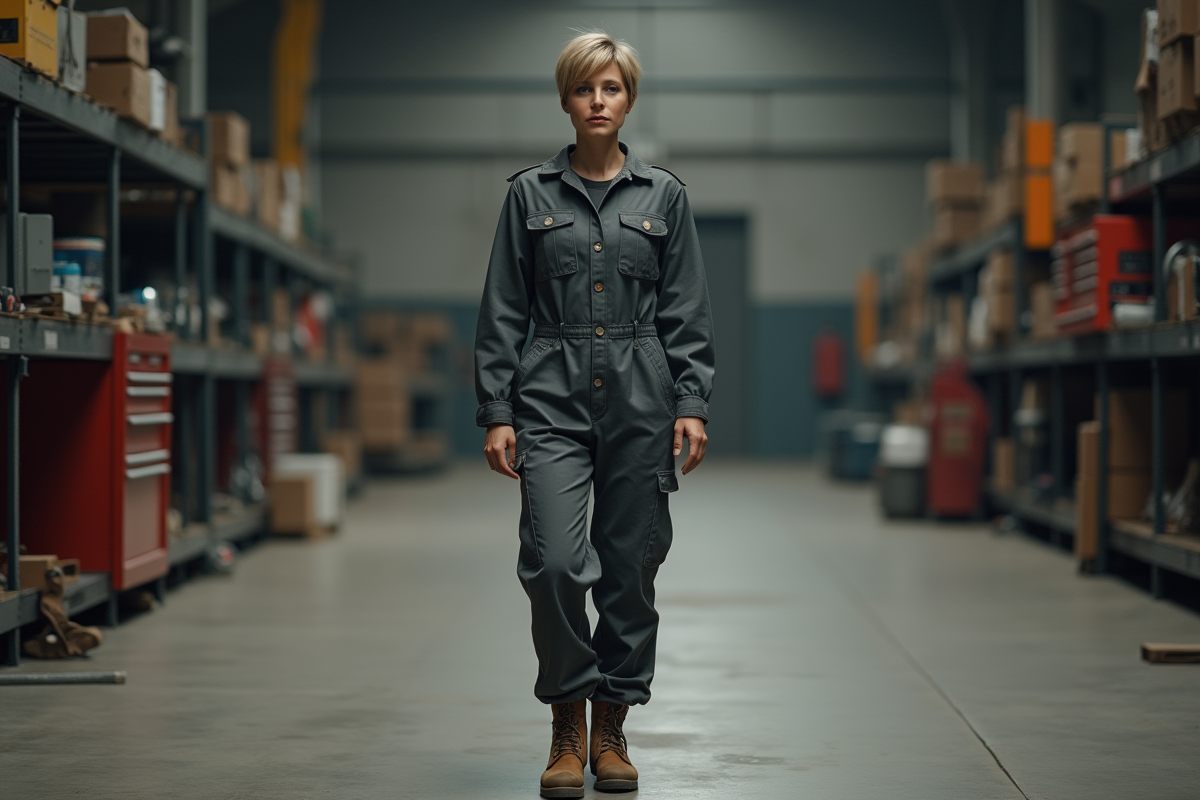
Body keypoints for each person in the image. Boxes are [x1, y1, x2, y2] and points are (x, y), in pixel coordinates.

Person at [474, 31, 715, 798]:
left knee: (630, 570)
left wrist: (691, 403)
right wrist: (497, 409)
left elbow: (686, 313)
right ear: (566, 100)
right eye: (585, 89)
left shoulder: (664, 197)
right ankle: (565, 725)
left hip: (642, 398)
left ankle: (611, 729)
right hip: (549, 397)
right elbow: (503, 310)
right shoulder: (529, 196)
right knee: (550, 563)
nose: (598, 102)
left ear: (629, 98)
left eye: (611, 89)